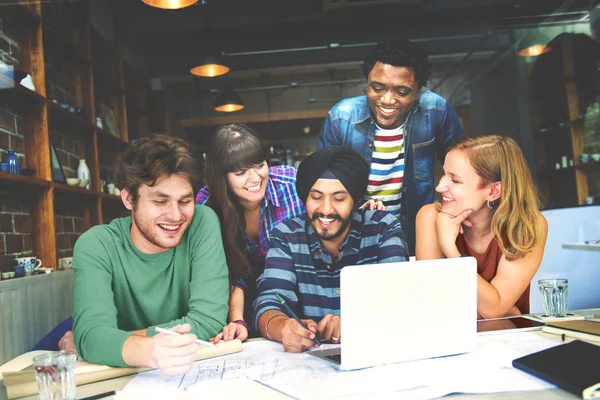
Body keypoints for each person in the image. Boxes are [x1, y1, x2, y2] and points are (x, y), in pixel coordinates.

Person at [72, 134, 229, 375]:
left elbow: (208, 320)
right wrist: (149, 351)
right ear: (128, 198)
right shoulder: (96, 244)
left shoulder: (202, 221)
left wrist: (115, 340)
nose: (176, 216)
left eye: (185, 201)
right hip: (124, 378)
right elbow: (92, 335)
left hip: (192, 371)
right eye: (160, 201)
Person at [254, 146, 409, 353]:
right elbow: (269, 301)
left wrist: (355, 324)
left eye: (339, 199)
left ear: (355, 200)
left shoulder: (383, 229)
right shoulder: (287, 236)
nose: (326, 210)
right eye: (316, 197)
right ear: (305, 198)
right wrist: (283, 328)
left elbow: (401, 302)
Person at [318, 39, 464, 255]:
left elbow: (461, 171)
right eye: (377, 88)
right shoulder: (341, 118)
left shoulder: (437, 111)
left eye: (402, 92)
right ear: (366, 82)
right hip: (357, 233)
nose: (387, 100)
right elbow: (324, 184)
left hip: (418, 231)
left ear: (418, 91)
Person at [415, 134, 548, 318]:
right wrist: (496, 307)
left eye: (455, 180)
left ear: (493, 191)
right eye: (444, 174)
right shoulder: (430, 216)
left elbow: (494, 311)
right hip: (451, 335)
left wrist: (450, 250)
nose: (440, 187)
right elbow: (429, 302)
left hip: (510, 337)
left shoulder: (528, 225)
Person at [196, 124, 305, 343]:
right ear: (222, 177)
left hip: (295, 299)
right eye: (240, 172)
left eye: (259, 165)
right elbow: (223, 269)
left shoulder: (292, 184)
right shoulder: (206, 205)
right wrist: (236, 321)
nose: (255, 178)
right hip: (236, 306)